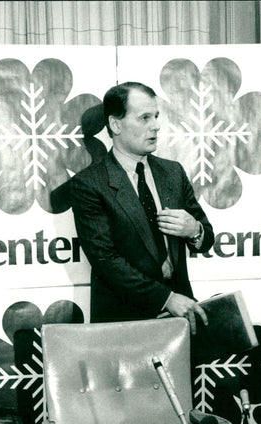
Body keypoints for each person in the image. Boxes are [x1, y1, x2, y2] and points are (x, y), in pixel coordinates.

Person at [71, 82, 215, 331]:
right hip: (124, 323)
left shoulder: (173, 173)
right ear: (116, 125)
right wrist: (167, 298)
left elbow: (206, 237)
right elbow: (106, 260)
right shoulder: (89, 184)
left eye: (156, 116)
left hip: (181, 320)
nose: (156, 126)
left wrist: (195, 231)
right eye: (144, 118)